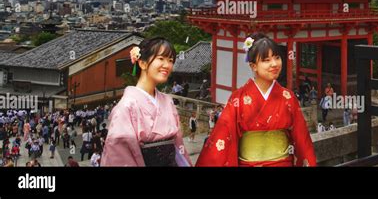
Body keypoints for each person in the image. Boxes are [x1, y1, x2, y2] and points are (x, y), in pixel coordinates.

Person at [196, 33, 317, 167]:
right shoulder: (238, 99)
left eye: (277, 58)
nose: (274, 64)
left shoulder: (288, 98)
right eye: (266, 60)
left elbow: (302, 140)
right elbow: (222, 137)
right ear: (253, 66)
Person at [102, 37, 192, 167]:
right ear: (142, 63)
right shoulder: (126, 107)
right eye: (161, 59)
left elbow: (178, 148)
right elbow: (120, 156)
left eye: (170, 60)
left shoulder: (167, 101)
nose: (167, 65)